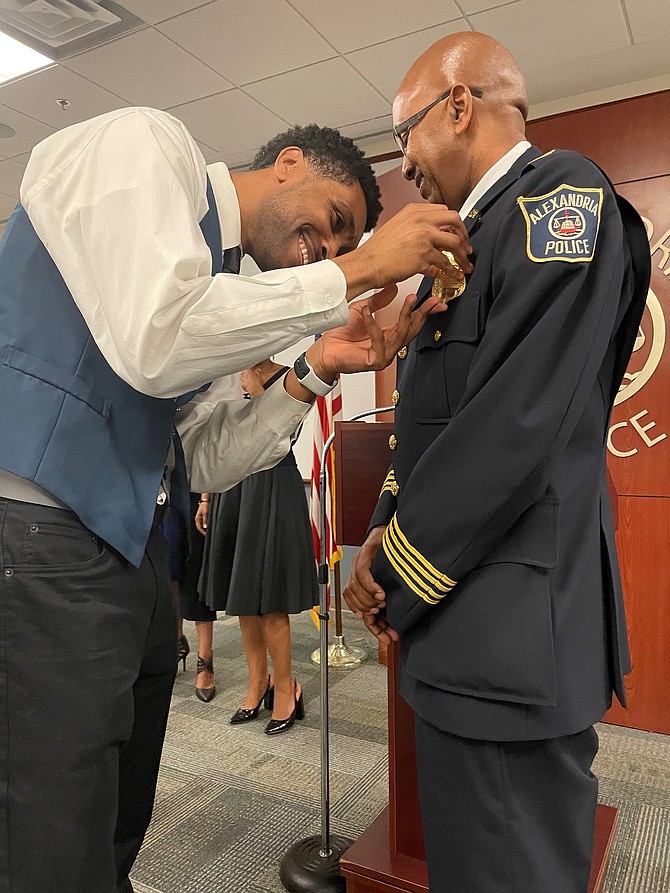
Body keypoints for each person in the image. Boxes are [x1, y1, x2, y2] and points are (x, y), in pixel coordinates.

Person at [0, 107, 472, 893]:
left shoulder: (215, 278)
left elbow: (201, 452)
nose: (327, 248)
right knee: (50, 828)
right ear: (289, 163)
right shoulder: (147, 144)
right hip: (39, 535)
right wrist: (355, 272)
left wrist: (315, 368)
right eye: (335, 221)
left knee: (113, 817)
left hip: (133, 553)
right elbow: (156, 338)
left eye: (345, 244)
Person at [344, 32, 651, 893]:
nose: (404, 164)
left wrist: (394, 569)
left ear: (457, 105)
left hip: (512, 641)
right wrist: (378, 531)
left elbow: (514, 428)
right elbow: (433, 425)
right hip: (466, 631)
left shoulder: (559, 195)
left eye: (403, 136)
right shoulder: (465, 243)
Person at [197, 359, 319, 734]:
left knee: (271, 599)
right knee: (243, 597)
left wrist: (259, 390)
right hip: (231, 485)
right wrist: (205, 496)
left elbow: (287, 433)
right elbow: (211, 438)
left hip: (273, 486)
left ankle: (286, 688)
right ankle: (257, 683)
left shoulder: (295, 375)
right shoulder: (227, 372)